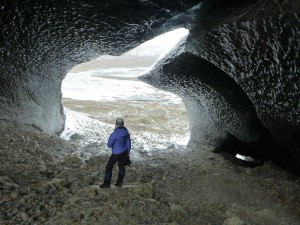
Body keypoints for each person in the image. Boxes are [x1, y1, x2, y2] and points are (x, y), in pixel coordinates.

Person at [100, 118, 131, 188]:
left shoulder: (114, 134)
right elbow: (128, 144)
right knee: (121, 166)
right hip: (124, 152)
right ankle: (119, 182)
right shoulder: (126, 133)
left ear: (116, 124)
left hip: (115, 153)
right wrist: (128, 153)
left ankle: (107, 183)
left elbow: (109, 145)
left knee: (109, 167)